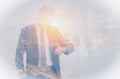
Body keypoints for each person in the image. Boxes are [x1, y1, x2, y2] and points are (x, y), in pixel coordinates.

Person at [15, 6, 74, 79]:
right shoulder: (26, 31)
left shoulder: (54, 31)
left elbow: (71, 46)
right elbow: (18, 53)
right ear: (40, 15)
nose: (49, 19)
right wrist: (21, 72)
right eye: (47, 16)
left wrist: (63, 49)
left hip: (52, 72)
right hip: (33, 74)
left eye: (51, 17)